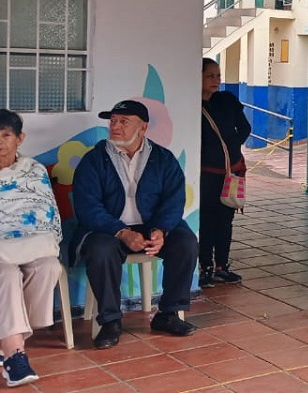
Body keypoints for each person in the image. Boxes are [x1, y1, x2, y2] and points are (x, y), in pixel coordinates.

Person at [71, 100, 199, 349]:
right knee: (100, 250)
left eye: (124, 121)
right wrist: (121, 232)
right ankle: (110, 321)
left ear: (143, 127)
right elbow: (87, 207)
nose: (115, 127)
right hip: (109, 229)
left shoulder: (163, 159)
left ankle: (168, 314)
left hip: (151, 226)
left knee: (186, 243)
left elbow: (174, 200)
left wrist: (161, 230)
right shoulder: (94, 160)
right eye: (113, 121)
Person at [0, 110, 61, 387]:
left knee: (49, 266)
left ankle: (6, 338)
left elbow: (46, 214)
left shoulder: (34, 171)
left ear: (20, 139)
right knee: (6, 274)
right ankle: (14, 356)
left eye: (6, 135)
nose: (0, 142)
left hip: (31, 244)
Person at [199, 58, 251, 288]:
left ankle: (222, 266)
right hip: (206, 175)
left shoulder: (227, 100)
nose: (216, 80)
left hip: (232, 173)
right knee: (207, 221)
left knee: (225, 220)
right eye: (210, 76)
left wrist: (231, 147)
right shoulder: (192, 105)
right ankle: (205, 268)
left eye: (218, 76)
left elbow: (245, 128)